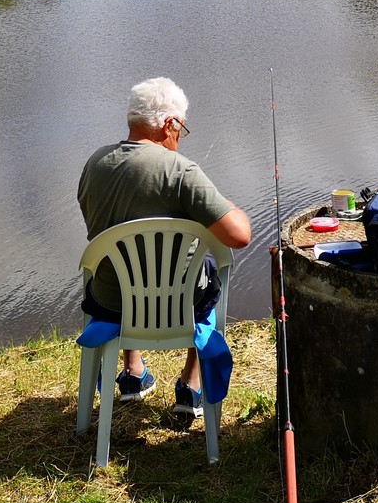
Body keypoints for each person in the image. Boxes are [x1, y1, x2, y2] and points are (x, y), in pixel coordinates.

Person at [78, 76, 251, 419]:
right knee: (205, 269)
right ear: (169, 124)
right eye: (180, 130)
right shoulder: (181, 171)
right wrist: (227, 206)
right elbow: (240, 235)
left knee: (126, 263)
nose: (178, 138)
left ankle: (132, 373)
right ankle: (191, 383)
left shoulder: (94, 165)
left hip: (112, 305)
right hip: (179, 309)